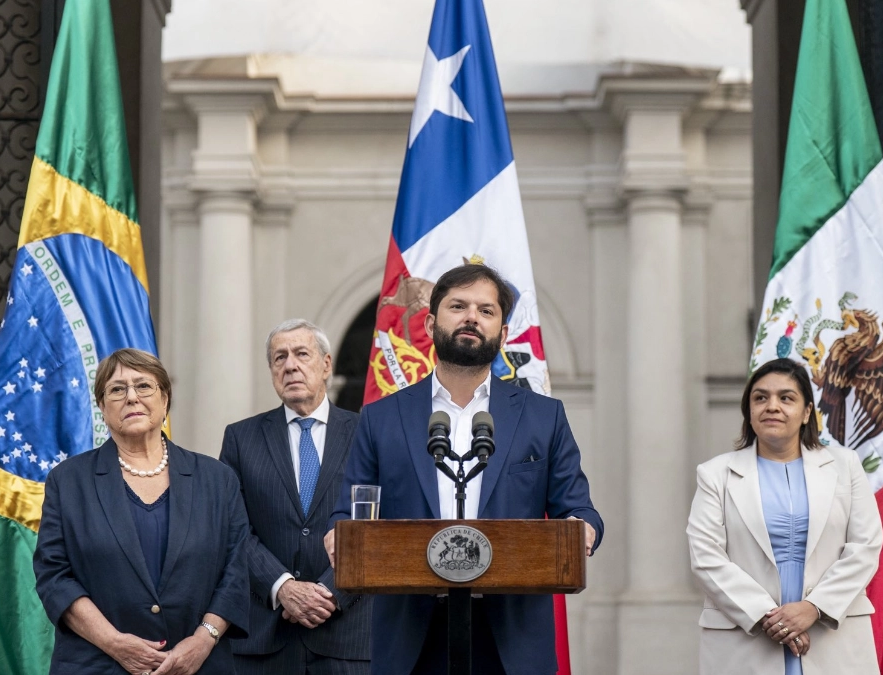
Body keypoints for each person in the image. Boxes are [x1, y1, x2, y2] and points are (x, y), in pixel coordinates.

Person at [324, 264, 603, 675]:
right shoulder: (381, 417)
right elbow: (348, 511)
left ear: (503, 335)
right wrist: (339, 534)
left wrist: (583, 528)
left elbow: (578, 509)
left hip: (511, 637)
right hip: (411, 636)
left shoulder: (544, 417)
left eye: (486, 310)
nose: (472, 317)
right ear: (431, 323)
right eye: (458, 306)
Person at [34, 348, 249, 675]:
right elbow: (54, 576)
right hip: (97, 665)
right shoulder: (68, 481)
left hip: (199, 665)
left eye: (144, 386)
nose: (131, 397)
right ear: (102, 408)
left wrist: (204, 640)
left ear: (165, 400)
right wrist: (114, 643)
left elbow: (236, 570)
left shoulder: (218, 480)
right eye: (117, 389)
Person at [687, 358, 883, 675]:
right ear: (749, 411)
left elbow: (866, 547)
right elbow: (706, 557)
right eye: (760, 398)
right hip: (746, 639)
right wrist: (774, 618)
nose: (772, 406)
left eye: (786, 398)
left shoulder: (845, 466)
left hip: (830, 638)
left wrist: (814, 608)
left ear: (807, 412)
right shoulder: (714, 474)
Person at [220, 320, 372, 675]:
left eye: (302, 354)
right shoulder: (241, 439)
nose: (290, 365)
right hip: (265, 639)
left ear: (326, 364)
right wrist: (282, 587)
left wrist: (330, 592)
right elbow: (230, 526)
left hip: (347, 637)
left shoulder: (367, 433)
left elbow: (379, 522)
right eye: (279, 357)